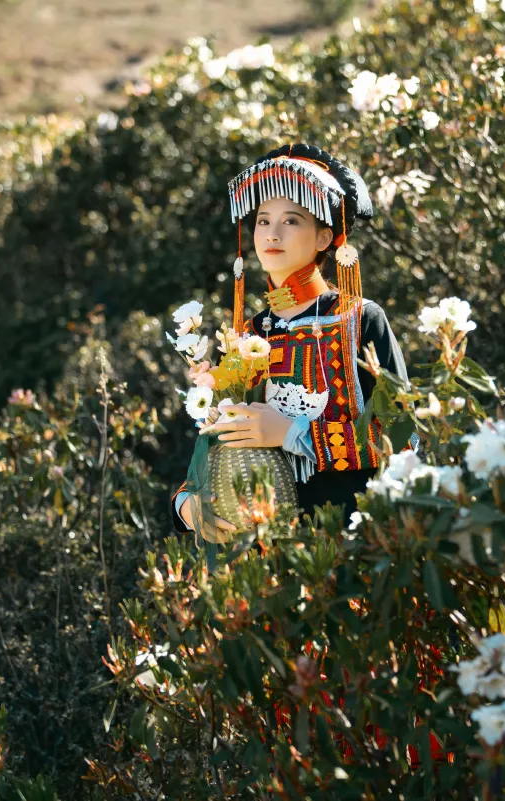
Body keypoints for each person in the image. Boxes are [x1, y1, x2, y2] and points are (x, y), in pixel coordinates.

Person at [170, 142, 409, 538]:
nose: (272, 234)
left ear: (324, 238)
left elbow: (403, 438)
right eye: (263, 221)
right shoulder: (248, 334)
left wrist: (292, 433)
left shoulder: (360, 319)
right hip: (268, 560)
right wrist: (187, 506)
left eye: (292, 221)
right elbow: (218, 445)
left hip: (355, 544)